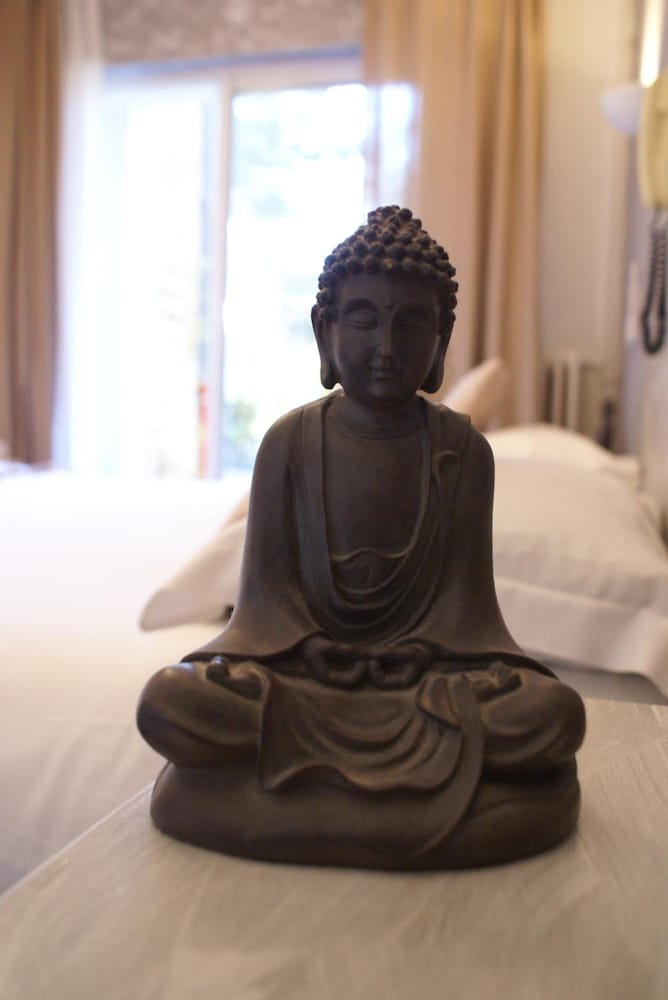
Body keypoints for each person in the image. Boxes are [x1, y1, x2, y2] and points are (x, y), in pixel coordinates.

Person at [137, 207, 585, 868]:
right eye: (365, 320)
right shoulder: (287, 444)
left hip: (424, 694)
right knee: (173, 701)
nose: (386, 347)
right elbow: (262, 610)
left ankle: (300, 803)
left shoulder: (463, 452)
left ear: (441, 338)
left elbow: (469, 615)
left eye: (411, 324)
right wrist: (306, 649)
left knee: (551, 716)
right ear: (325, 329)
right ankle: (407, 804)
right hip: (300, 689)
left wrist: (431, 659)